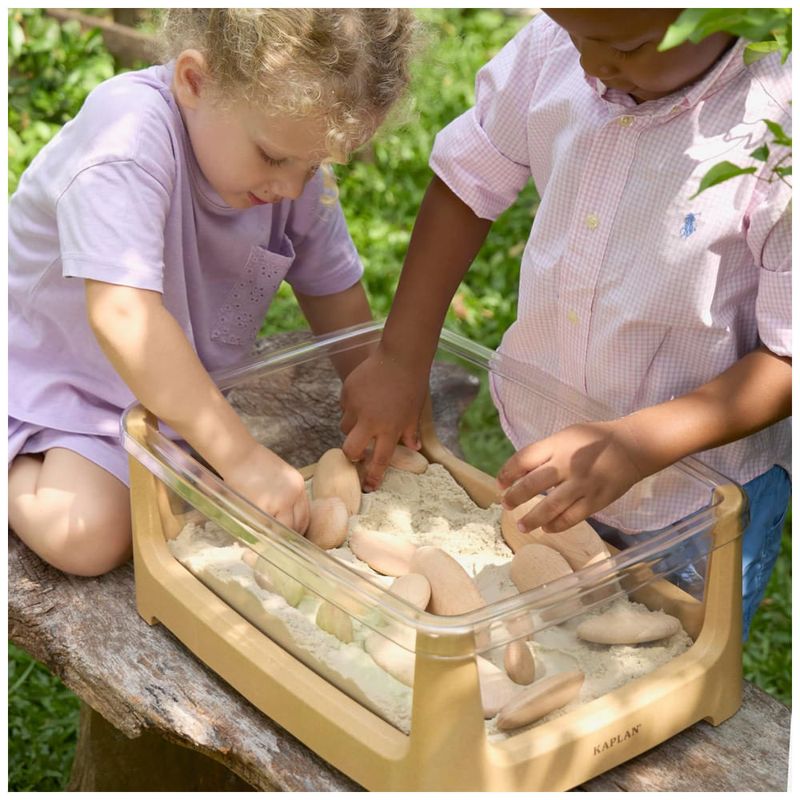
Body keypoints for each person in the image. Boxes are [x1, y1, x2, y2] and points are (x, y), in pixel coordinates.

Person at [339, 9, 791, 638]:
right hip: (552, 455)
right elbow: (466, 184)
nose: (591, 64)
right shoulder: (555, 50)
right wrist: (400, 356)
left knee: (673, 652)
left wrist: (637, 443)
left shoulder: (779, 128)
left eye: (626, 46)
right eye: (574, 34)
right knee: (544, 632)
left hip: (691, 506)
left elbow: (787, 356)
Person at [8, 9, 418, 576]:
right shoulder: (127, 140)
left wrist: (377, 384)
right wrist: (240, 456)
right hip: (53, 376)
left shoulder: (285, 164)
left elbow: (333, 291)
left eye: (315, 165)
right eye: (273, 157)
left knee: (175, 504)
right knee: (85, 536)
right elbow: (124, 317)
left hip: (159, 394)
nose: (292, 187)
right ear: (195, 82)